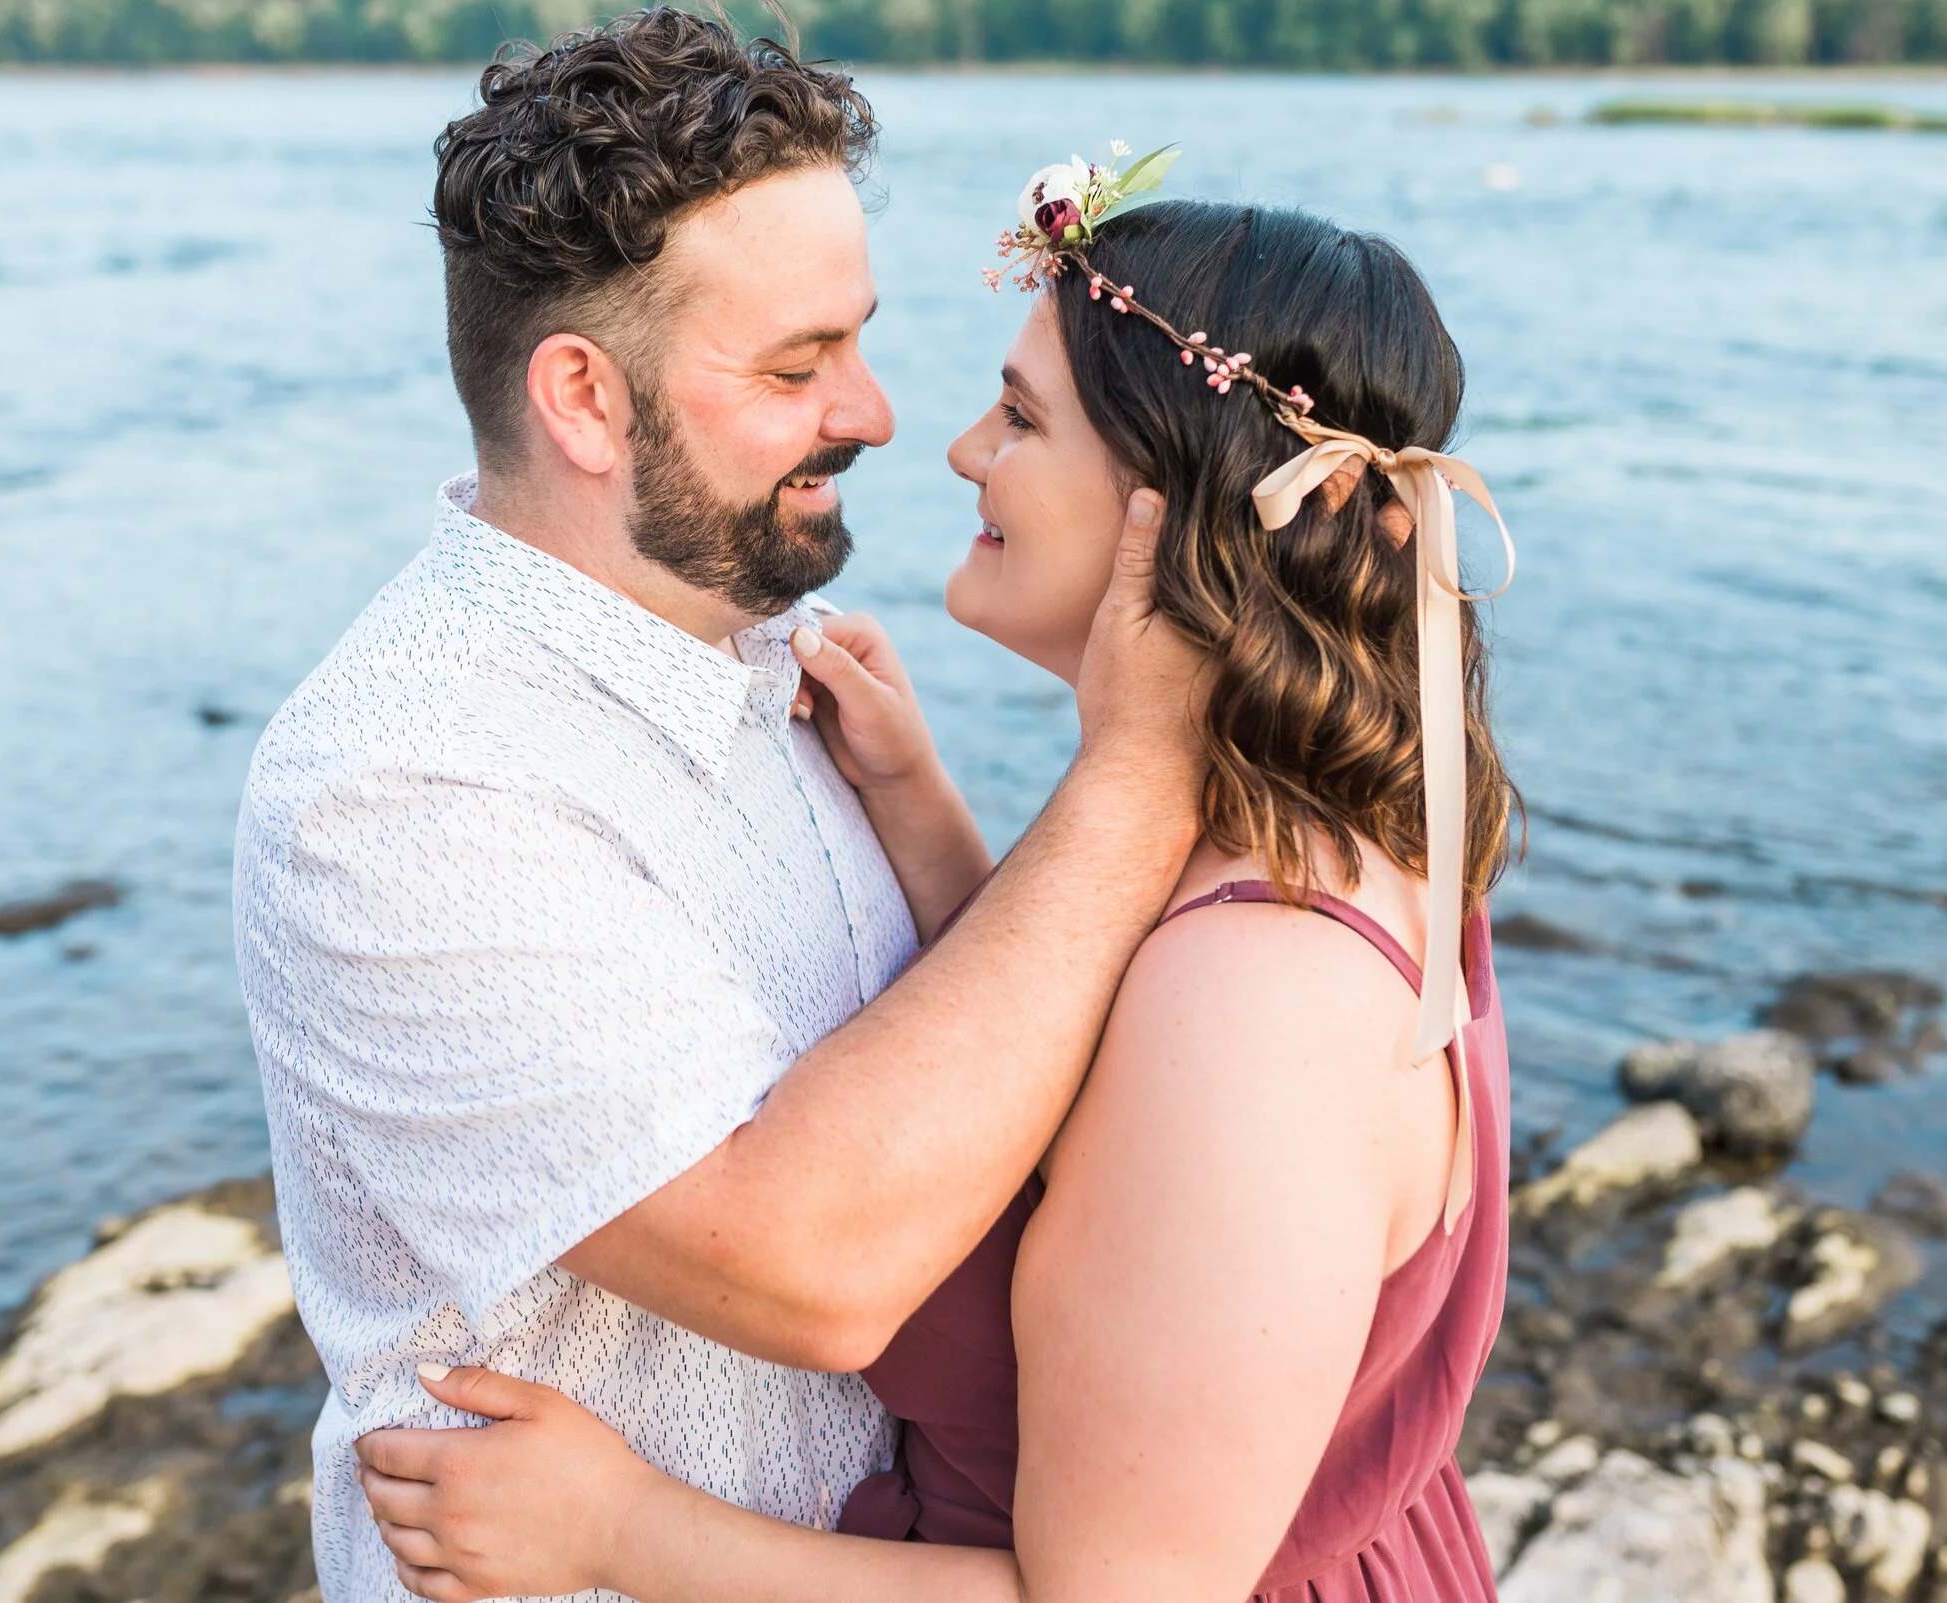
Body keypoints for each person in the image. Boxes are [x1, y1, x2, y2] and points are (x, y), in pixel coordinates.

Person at [352, 169, 1521, 1602]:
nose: (955, 447)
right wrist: (922, 814)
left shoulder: (1259, 997)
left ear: (1192, 498)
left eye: (1023, 418)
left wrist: (619, 1531)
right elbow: (1090, 1118)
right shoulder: (1314, 824)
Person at [231, 10, 1213, 1603]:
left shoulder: (764, 655)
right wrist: (1141, 769)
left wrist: (934, 811)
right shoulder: (400, 787)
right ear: (585, 399)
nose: (880, 414)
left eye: (859, 337)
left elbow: (993, 1081)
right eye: (796, 365)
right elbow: (816, 1269)